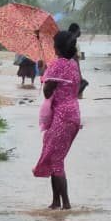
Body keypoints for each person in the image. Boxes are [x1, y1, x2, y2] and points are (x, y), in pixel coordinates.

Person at [33, 30, 83, 210]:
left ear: (58, 47)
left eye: (54, 44)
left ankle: (66, 205)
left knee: (56, 160)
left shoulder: (56, 65)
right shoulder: (73, 64)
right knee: (56, 157)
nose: (52, 47)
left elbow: (47, 92)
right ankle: (55, 203)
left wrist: (45, 74)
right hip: (74, 115)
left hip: (62, 116)